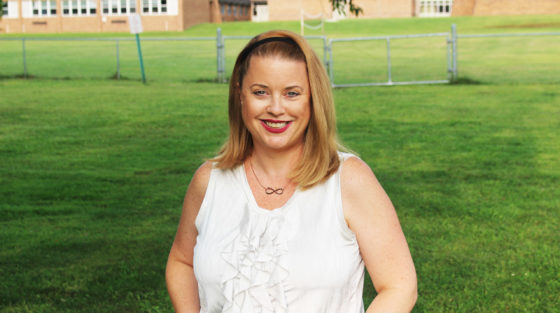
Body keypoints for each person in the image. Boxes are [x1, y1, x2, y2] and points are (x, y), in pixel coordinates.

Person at [166, 30, 417, 313]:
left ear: (313, 98)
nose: (275, 108)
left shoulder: (348, 179)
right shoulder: (209, 180)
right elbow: (181, 261)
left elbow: (399, 285)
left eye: (292, 93)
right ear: (240, 95)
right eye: (260, 92)